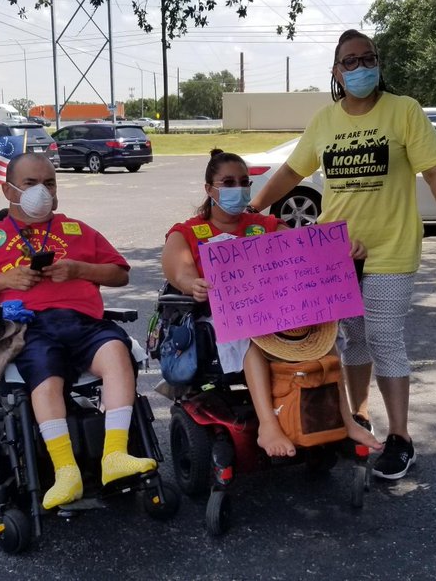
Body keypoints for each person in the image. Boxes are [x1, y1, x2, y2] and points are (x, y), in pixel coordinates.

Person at [248, 29, 436, 479]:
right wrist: (252, 210)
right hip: (335, 251)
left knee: (385, 338)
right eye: (350, 61)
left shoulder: (404, 111)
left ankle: (402, 438)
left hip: (391, 247)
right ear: (336, 71)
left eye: (367, 58)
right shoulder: (325, 121)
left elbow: (435, 172)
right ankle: (360, 418)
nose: (360, 67)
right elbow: (292, 171)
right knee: (350, 340)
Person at [0, 152, 157, 510]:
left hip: (83, 321)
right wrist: (3, 279)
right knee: (46, 376)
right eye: (30, 183)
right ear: (7, 190)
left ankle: (115, 455)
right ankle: (65, 472)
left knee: (118, 355)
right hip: (30, 328)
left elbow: (120, 273)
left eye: (49, 183)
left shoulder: (76, 230)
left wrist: (78, 270)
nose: (41, 191)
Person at [162, 149, 381, 457]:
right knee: (251, 341)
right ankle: (268, 425)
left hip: (277, 312)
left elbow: (306, 251)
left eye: (243, 182)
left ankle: (347, 420)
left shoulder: (264, 224)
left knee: (325, 341)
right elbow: (179, 271)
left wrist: (343, 250)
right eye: (228, 182)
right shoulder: (186, 232)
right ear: (209, 189)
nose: (237, 189)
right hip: (221, 317)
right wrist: (191, 284)